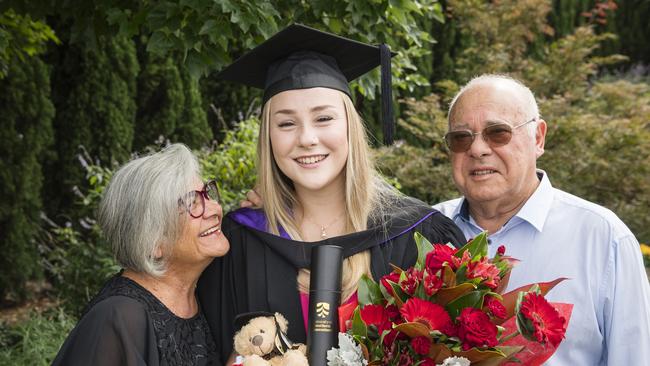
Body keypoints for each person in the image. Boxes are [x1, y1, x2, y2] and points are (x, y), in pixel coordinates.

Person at [197, 24, 466, 364]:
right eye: (286, 123)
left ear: (349, 126)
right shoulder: (240, 243)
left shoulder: (416, 234)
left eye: (323, 118)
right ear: (268, 137)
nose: (307, 138)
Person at [434, 74, 650, 365]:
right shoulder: (424, 231)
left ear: (538, 138)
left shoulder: (603, 238)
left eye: (498, 132)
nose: (477, 149)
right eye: (461, 138)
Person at [53, 144, 228, 366]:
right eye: (192, 203)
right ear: (153, 241)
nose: (214, 209)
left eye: (207, 193)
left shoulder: (203, 290)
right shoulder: (117, 319)